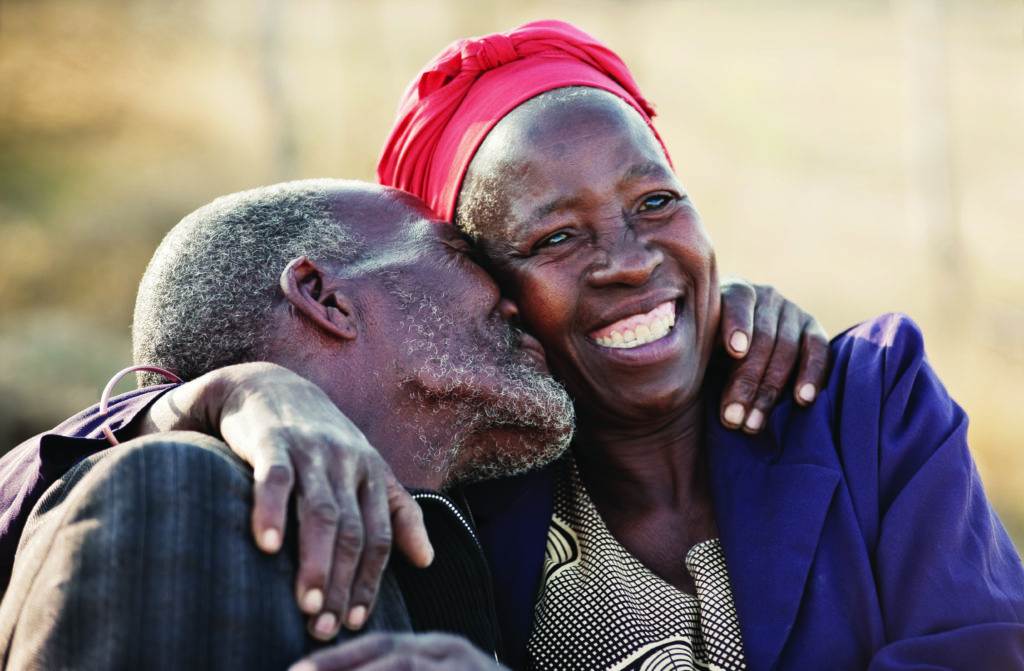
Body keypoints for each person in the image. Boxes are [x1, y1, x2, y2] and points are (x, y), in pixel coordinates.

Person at [376, 19, 1024, 670]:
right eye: (557, 238)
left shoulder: (872, 407)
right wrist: (271, 391)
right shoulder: (458, 514)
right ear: (486, 292)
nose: (630, 262)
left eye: (656, 200)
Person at [0, 179, 822, 670]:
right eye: (460, 254)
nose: (514, 293)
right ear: (323, 296)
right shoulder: (182, 490)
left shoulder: (452, 572)